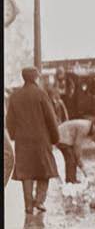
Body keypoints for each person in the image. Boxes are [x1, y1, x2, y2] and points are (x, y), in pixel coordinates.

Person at [5, 67, 60, 214]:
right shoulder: (41, 94)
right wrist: (55, 138)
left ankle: (28, 206)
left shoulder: (15, 96)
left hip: (23, 141)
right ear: (35, 78)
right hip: (41, 139)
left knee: (26, 173)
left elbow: (9, 121)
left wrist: (14, 136)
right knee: (45, 170)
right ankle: (40, 201)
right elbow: (51, 118)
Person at [56, 117, 95, 183]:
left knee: (72, 158)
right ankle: (70, 180)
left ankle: (72, 179)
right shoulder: (85, 128)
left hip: (65, 137)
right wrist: (79, 159)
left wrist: (78, 159)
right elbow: (77, 145)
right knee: (71, 158)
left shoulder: (87, 125)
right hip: (61, 137)